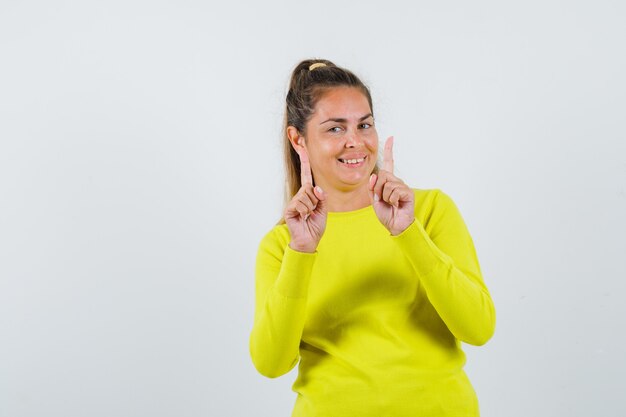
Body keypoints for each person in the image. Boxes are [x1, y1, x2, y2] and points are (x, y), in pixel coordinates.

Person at [249, 59, 496, 417]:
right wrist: (301, 252)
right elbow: (271, 363)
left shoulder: (430, 210)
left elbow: (478, 328)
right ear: (297, 138)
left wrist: (408, 233)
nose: (356, 142)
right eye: (335, 129)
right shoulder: (282, 245)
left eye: (364, 125)